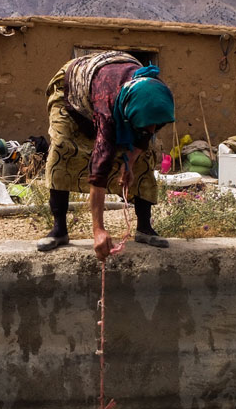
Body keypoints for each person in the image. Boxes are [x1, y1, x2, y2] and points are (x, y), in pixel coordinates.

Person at [38, 50, 176, 260]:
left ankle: (144, 228)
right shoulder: (108, 110)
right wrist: (98, 231)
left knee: (145, 158)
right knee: (63, 151)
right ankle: (59, 230)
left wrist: (129, 162)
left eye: (154, 126)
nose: (151, 130)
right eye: (146, 126)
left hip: (115, 89)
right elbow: (99, 169)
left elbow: (145, 135)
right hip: (72, 91)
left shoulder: (154, 97)